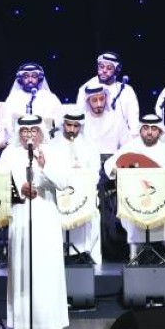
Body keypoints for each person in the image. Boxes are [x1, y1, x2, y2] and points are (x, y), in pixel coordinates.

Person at [0, 114, 69, 329]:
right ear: (18, 133)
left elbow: (64, 182)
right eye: (24, 131)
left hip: (46, 215)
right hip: (20, 215)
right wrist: (20, 188)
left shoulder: (52, 152)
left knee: (46, 267)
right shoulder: (9, 154)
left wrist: (45, 167)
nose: (29, 135)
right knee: (23, 267)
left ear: (40, 132)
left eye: (33, 131)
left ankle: (49, 322)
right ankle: (23, 323)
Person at [104, 115, 165, 263]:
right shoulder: (131, 147)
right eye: (145, 128)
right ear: (140, 130)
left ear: (160, 131)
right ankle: (135, 251)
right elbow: (109, 165)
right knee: (129, 207)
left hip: (162, 196)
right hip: (135, 195)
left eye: (154, 128)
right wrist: (118, 170)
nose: (149, 132)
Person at [48, 110, 102, 267]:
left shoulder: (90, 147)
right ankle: (59, 254)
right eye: (68, 125)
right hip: (58, 194)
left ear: (81, 126)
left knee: (92, 209)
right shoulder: (51, 146)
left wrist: (82, 177)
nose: (71, 129)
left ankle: (85, 252)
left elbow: (95, 173)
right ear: (63, 124)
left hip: (83, 194)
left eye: (76, 126)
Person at [74, 52, 140, 140]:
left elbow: (133, 120)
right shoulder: (87, 88)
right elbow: (80, 117)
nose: (104, 70)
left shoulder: (127, 90)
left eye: (109, 68)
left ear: (117, 69)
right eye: (101, 67)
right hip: (93, 139)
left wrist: (134, 139)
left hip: (120, 140)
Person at [3, 63, 64, 134]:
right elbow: (7, 122)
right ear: (20, 79)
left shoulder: (50, 97)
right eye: (26, 76)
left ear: (39, 78)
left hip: (46, 138)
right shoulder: (13, 98)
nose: (30, 80)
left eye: (34, 76)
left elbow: (59, 120)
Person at [81, 85, 127, 154]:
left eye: (102, 99)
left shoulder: (117, 119)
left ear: (106, 98)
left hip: (112, 159)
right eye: (94, 100)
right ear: (88, 101)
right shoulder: (82, 121)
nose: (99, 104)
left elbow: (127, 145)